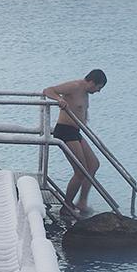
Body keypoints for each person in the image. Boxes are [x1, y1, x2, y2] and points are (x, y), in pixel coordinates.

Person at [41, 68, 108, 214]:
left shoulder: (85, 93)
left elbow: (80, 109)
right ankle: (67, 205)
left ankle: (82, 202)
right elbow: (48, 90)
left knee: (93, 165)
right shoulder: (75, 86)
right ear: (92, 82)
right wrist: (59, 99)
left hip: (76, 131)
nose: (98, 91)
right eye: (98, 87)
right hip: (65, 130)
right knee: (80, 171)